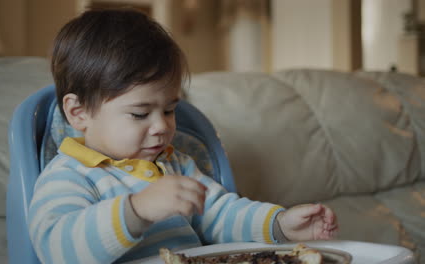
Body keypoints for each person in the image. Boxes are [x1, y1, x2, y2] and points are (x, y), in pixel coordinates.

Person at [28, 8, 338, 264]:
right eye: (140, 114)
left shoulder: (175, 164)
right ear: (79, 113)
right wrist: (136, 210)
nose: (162, 126)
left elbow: (222, 214)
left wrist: (281, 225)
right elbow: (58, 251)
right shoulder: (68, 176)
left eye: (169, 110)